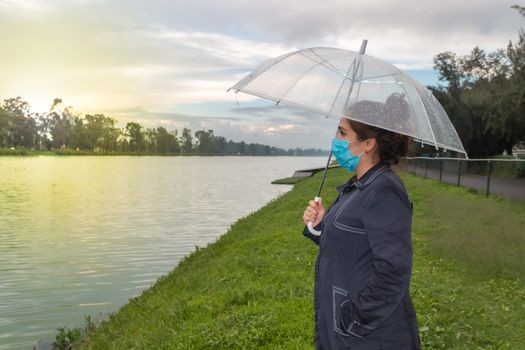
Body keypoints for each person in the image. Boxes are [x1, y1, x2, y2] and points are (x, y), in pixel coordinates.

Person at [302, 93, 421, 349]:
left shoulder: (384, 189)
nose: (336, 140)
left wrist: (353, 319)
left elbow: (394, 272)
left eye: (342, 133)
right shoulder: (358, 186)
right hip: (345, 331)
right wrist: (321, 225)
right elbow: (353, 246)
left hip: (369, 338)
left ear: (368, 144)